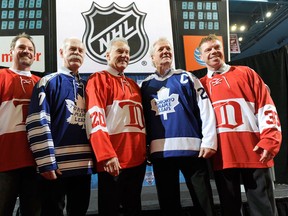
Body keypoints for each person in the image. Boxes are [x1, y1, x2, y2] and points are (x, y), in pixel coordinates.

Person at [198, 34, 282, 216]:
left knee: (264, 209)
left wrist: (270, 140)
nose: (213, 52)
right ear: (201, 56)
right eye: (208, 50)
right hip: (223, 156)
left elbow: (266, 107)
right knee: (230, 209)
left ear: (223, 51)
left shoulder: (247, 73)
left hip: (255, 152)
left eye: (216, 47)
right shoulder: (200, 86)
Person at [140, 37, 217, 216]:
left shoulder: (187, 77)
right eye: (161, 49)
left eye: (168, 49)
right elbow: (142, 119)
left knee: (204, 201)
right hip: (161, 152)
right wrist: (145, 147)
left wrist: (209, 140)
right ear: (152, 58)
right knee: (168, 203)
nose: (166, 51)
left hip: (193, 150)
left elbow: (205, 108)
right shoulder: (145, 85)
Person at [26, 38, 94, 216]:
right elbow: (37, 122)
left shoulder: (88, 87)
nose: (77, 52)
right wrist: (46, 162)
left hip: (84, 165)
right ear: (62, 53)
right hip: (56, 166)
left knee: (79, 211)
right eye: (72, 49)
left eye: (80, 50)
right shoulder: (47, 82)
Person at [85, 37, 146, 216]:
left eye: (127, 52)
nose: (124, 55)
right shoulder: (98, 79)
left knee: (133, 208)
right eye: (120, 51)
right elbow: (95, 119)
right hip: (114, 160)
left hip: (138, 159)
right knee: (109, 209)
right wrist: (106, 155)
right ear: (107, 55)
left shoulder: (134, 85)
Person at [0, 33, 41, 216]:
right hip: (4, 161)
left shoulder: (41, 83)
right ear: (11, 52)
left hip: (34, 163)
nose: (26, 51)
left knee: (32, 211)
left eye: (30, 49)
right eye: (21, 47)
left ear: (35, 55)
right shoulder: (1, 76)